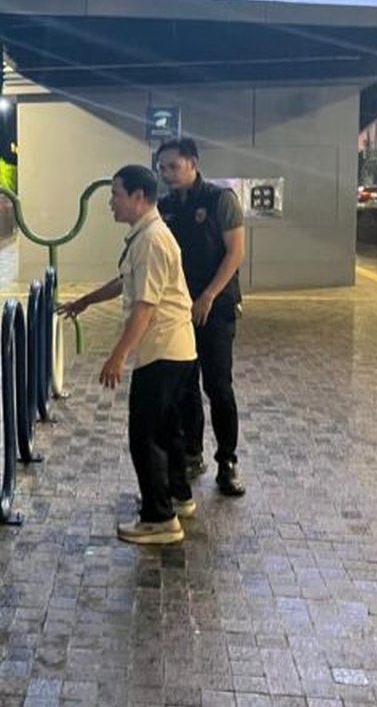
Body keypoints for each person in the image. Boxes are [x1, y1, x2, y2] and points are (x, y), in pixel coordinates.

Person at [58, 165, 197, 545]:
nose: (111, 203)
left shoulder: (152, 239)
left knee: (145, 434)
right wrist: (86, 301)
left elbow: (146, 306)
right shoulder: (147, 236)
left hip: (163, 351)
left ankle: (159, 518)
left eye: (117, 194)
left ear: (139, 197)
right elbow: (126, 282)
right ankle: (177, 496)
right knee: (168, 429)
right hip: (176, 350)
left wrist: (118, 355)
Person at [155, 138, 246, 497]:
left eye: (172, 166)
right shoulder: (165, 207)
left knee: (218, 386)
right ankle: (192, 454)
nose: (166, 174)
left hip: (217, 308)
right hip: (179, 310)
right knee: (185, 387)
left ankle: (228, 461)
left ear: (192, 163)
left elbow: (235, 253)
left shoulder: (220, 200)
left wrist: (208, 295)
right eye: (161, 168)